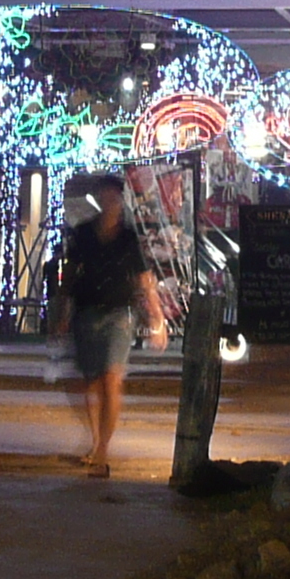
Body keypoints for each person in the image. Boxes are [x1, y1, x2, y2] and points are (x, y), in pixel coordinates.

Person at [57, 173, 167, 479]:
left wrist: (156, 317)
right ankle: (96, 440)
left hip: (118, 313)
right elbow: (71, 273)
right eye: (105, 196)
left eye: (114, 197)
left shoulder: (128, 237)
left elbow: (143, 278)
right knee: (90, 381)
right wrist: (63, 312)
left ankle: (103, 450)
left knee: (112, 378)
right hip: (87, 311)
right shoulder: (83, 234)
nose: (110, 202)